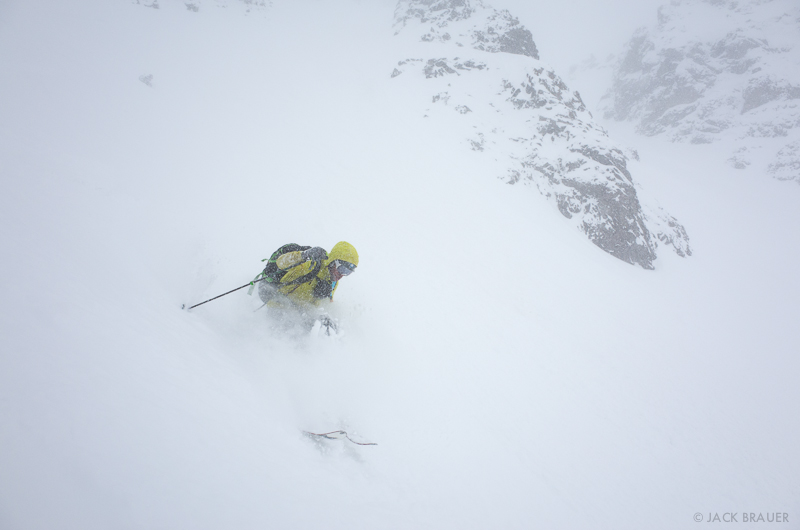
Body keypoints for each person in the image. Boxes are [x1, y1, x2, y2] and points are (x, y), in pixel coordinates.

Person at [252, 241, 358, 334]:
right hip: (278, 302)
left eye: (347, 272)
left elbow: (323, 306)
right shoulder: (312, 263)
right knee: (286, 329)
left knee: (327, 327)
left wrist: (323, 314)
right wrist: (304, 255)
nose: (341, 275)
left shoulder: (332, 283)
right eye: (342, 269)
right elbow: (281, 262)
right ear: (334, 261)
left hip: (297, 311)